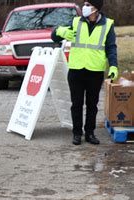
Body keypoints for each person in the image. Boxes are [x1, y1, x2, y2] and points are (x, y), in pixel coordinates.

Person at [52, 0, 118, 145]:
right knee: (76, 104)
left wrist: (113, 66)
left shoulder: (107, 25)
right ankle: (77, 133)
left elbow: (111, 48)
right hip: (76, 70)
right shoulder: (76, 22)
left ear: (96, 9)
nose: (85, 7)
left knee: (92, 104)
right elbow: (54, 36)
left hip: (95, 71)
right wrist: (60, 31)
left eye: (88, 5)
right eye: (85, 4)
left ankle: (90, 133)